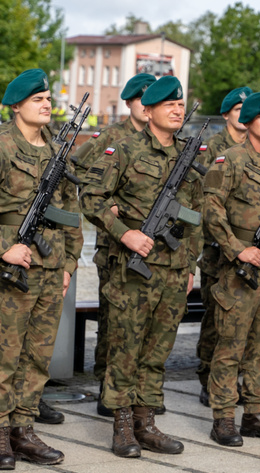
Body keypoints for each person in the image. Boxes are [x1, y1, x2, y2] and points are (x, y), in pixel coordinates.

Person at [81, 76, 202, 458]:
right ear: (148, 111)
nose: (178, 110)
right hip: (133, 271)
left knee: (157, 349)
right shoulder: (125, 149)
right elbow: (91, 198)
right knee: (125, 347)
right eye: (169, 105)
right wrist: (125, 233)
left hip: (172, 269)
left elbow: (198, 218)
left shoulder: (188, 155)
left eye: (181, 105)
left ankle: (145, 422)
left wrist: (189, 267)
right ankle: (121, 426)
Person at [202, 91, 260, 446]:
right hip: (241, 267)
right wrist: (236, 248)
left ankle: (255, 413)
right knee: (231, 346)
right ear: (248, 122)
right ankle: (223, 417)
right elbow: (210, 208)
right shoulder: (231, 161)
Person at [0, 69, 83, 469]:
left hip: (50, 268)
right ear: (16, 105)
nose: (47, 104)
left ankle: (23, 429)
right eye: (37, 99)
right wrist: (5, 248)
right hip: (11, 268)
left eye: (48, 98)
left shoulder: (57, 149)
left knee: (37, 355)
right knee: (5, 354)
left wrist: (68, 264)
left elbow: (71, 212)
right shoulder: (1, 145)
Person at [73, 72, 157, 419]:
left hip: (152, 249)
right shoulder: (111, 136)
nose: (146, 106)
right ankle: (109, 392)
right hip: (115, 247)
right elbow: (75, 167)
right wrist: (109, 203)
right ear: (129, 103)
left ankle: (139, 394)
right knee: (113, 324)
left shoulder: (161, 141)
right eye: (141, 100)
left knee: (146, 324)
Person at [195, 86, 252, 407]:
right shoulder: (214, 148)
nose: (244, 117)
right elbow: (204, 196)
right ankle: (207, 378)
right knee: (216, 318)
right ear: (227, 114)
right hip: (218, 249)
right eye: (238, 111)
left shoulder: (257, 148)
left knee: (242, 323)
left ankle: (233, 381)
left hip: (249, 250)